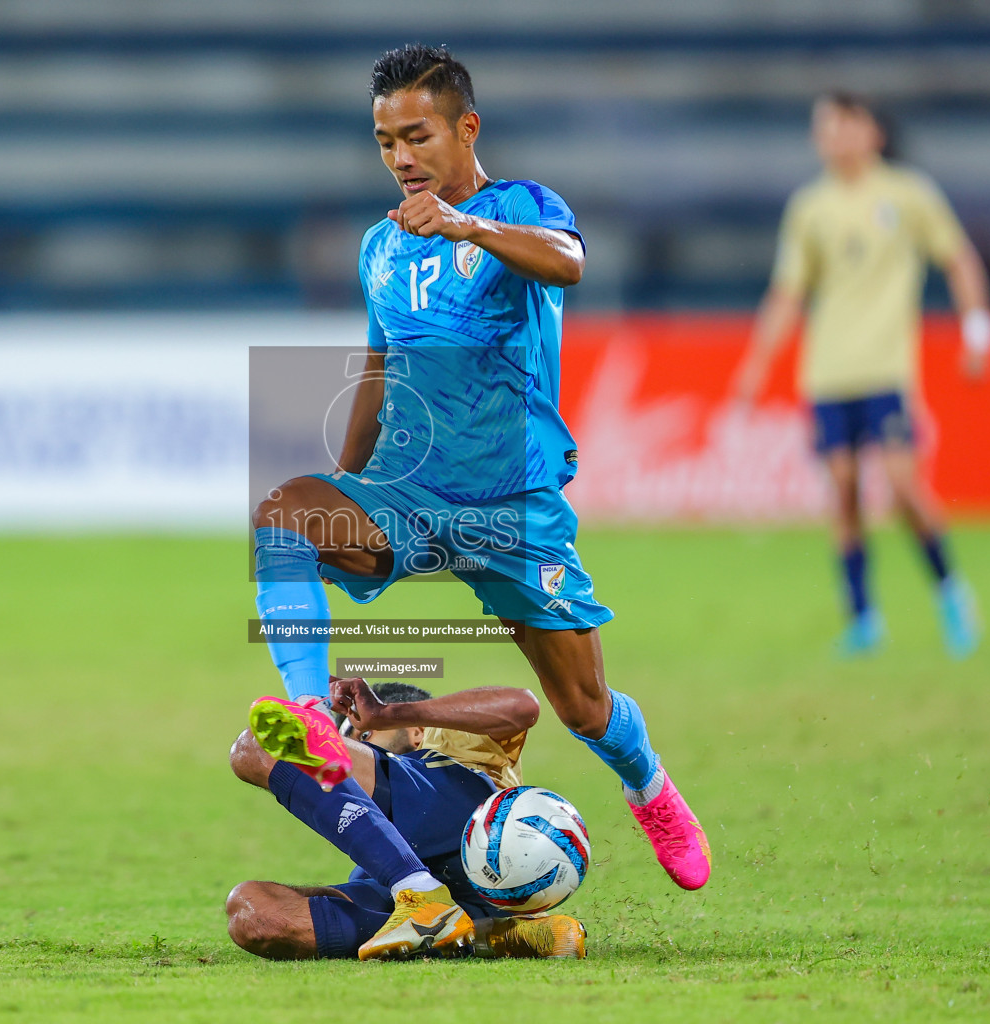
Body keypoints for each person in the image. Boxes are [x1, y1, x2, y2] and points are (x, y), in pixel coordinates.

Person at [245, 43, 711, 960]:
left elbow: (569, 265)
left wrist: (464, 227)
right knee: (282, 516)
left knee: (581, 705)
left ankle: (649, 783)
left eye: (416, 135)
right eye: (385, 142)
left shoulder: (521, 209)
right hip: (414, 496)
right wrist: (350, 486)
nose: (401, 157)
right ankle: (311, 721)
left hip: (513, 506)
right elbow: (377, 371)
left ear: (466, 128)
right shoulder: (381, 246)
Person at [732, 91, 990, 658]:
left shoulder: (907, 194)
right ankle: (863, 620)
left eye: (844, 124)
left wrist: (978, 329)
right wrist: (756, 364)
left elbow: (959, 257)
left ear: (872, 131)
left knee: (903, 487)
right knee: (843, 492)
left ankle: (951, 592)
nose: (833, 136)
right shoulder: (811, 207)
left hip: (885, 371)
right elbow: (788, 291)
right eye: (823, 126)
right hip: (827, 375)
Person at [227, 678, 587, 960]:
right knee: (252, 914)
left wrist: (388, 712)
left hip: (464, 822)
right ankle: (484, 933)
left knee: (261, 745)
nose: (352, 744)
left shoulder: (447, 745)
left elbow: (522, 706)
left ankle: (421, 892)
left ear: (416, 731)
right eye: (345, 739)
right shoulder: (375, 847)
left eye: (364, 735)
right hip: (418, 882)